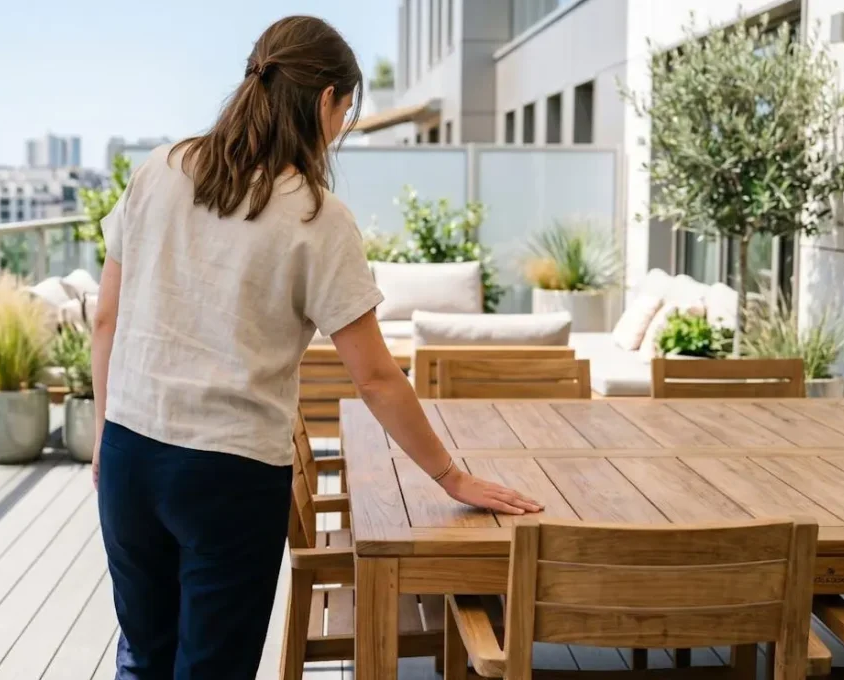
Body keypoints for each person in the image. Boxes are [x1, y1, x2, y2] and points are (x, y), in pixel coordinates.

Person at [89, 15, 542, 679]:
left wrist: (104, 433)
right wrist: (451, 476)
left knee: (143, 656)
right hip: (230, 474)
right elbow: (375, 378)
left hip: (131, 451)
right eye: (346, 111)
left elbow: (107, 319)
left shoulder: (161, 169)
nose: (341, 126)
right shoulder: (316, 216)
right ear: (327, 99)